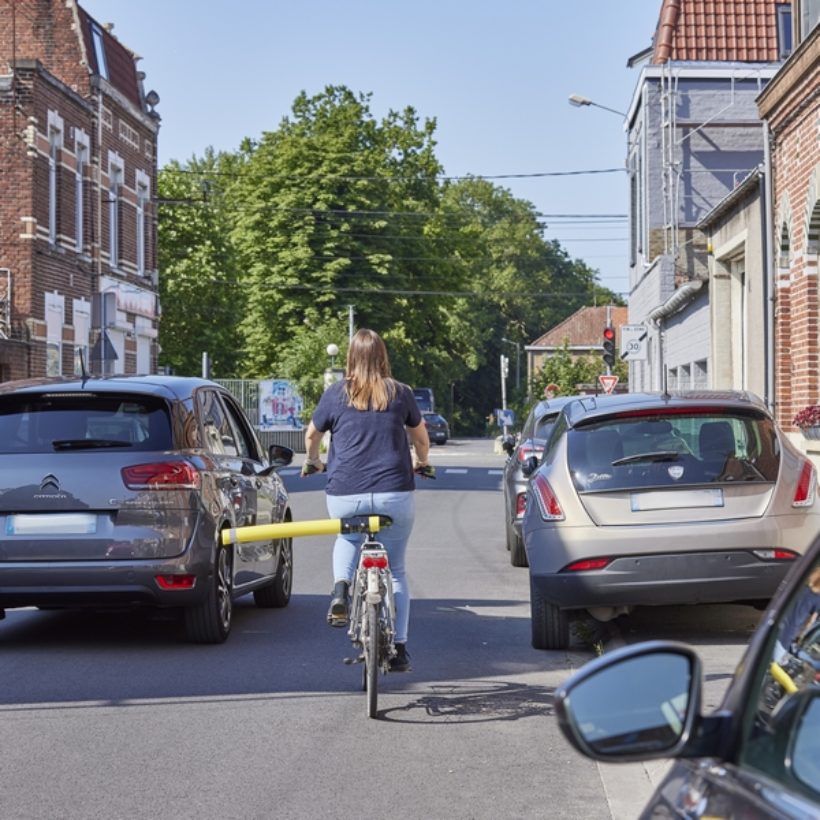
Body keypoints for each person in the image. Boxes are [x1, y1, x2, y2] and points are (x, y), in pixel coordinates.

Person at [301, 328, 430, 672]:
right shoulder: (400, 394)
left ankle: (341, 590)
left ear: (350, 358)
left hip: (345, 493)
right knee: (398, 570)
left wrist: (313, 460)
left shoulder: (335, 394)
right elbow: (421, 438)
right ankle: (399, 648)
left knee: (347, 537)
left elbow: (312, 435)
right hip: (394, 493)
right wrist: (423, 462)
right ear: (383, 356)